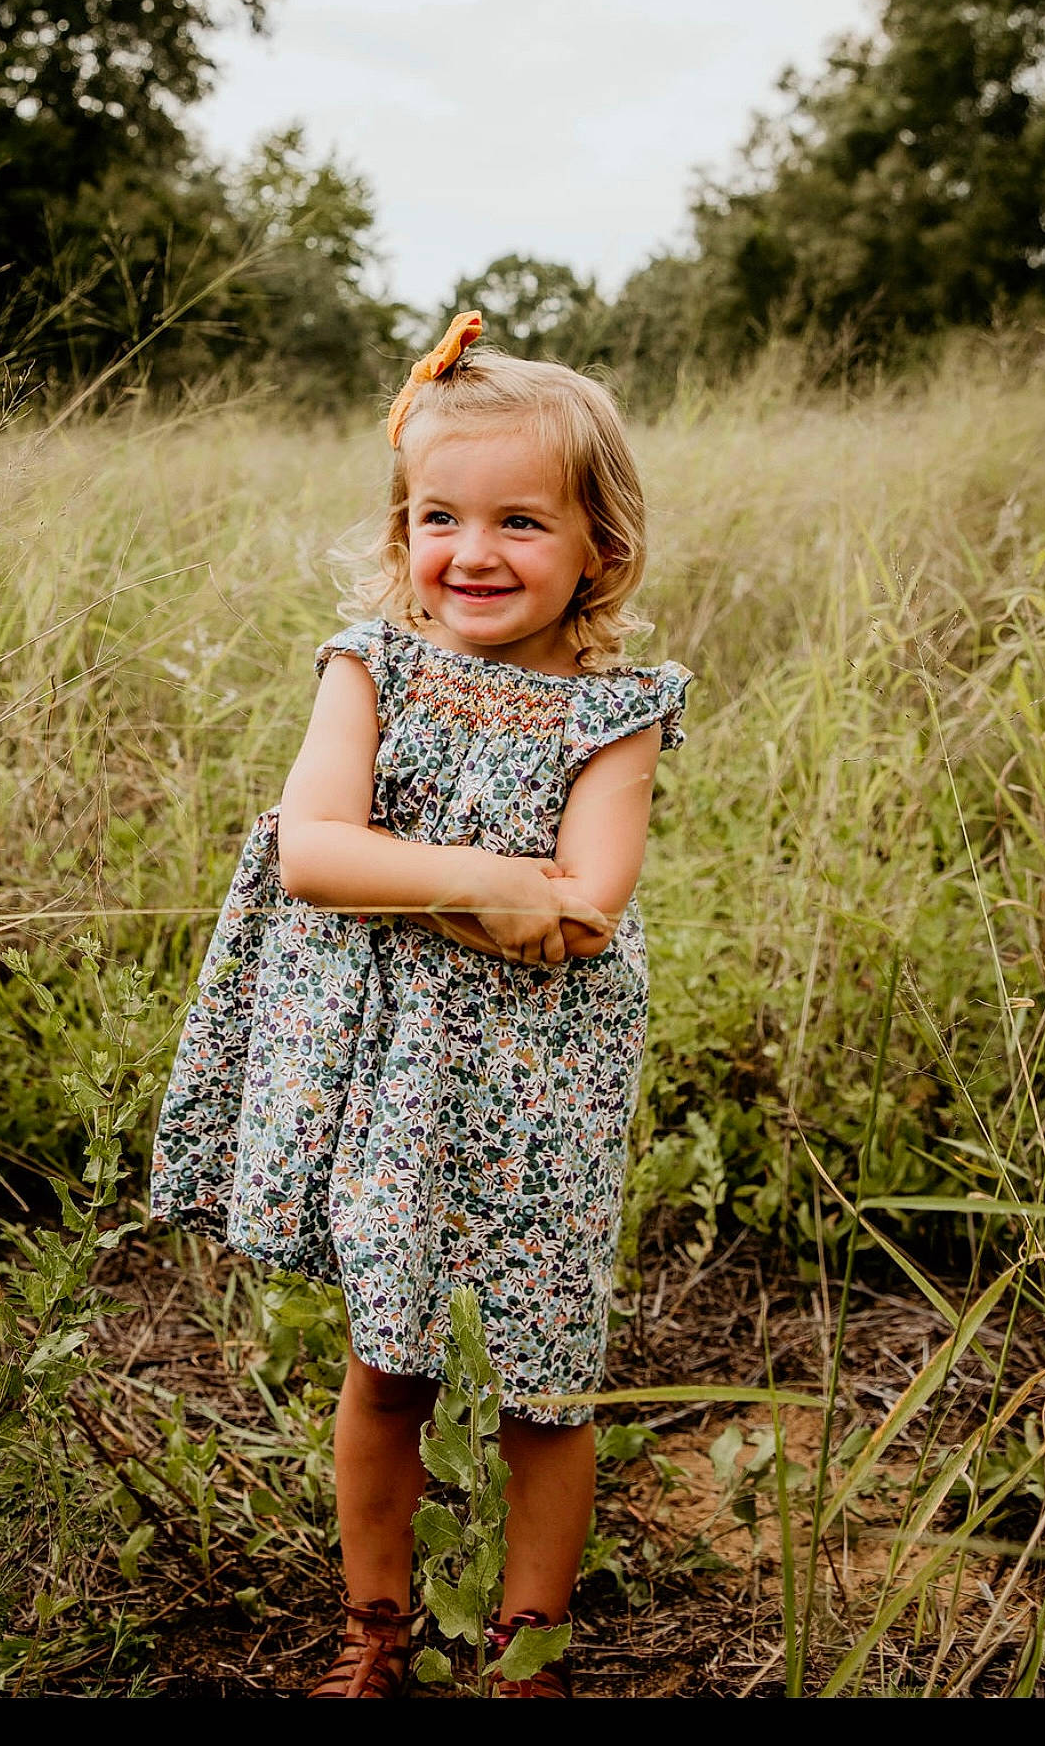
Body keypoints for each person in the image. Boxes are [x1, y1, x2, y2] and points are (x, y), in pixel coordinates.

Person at [150, 312, 691, 1698]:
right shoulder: (367, 667)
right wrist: (471, 881)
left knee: (541, 1378)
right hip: (389, 1077)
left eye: (521, 520)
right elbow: (312, 851)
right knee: (387, 1357)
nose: (473, 550)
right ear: (403, 538)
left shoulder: (613, 713)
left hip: (541, 1092)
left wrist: (424, 885)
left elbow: (583, 906)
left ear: (597, 552)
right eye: (439, 516)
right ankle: (374, 1627)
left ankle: (529, 1655)